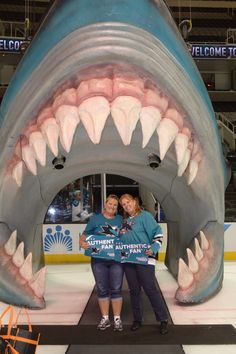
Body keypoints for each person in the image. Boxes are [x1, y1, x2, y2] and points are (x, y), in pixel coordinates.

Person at [119, 194, 169, 335]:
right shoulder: (125, 221)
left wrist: (153, 248)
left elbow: (158, 233)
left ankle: (163, 319)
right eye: (123, 204)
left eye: (128, 202)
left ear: (134, 202)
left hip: (144, 259)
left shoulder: (145, 216)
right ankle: (137, 319)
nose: (126, 205)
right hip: (129, 261)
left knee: (150, 288)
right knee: (134, 290)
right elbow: (122, 240)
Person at [79, 194, 124, 331]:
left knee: (116, 289)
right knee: (102, 289)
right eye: (110, 204)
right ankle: (105, 318)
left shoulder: (121, 219)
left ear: (117, 208)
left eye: (115, 205)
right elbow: (85, 234)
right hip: (98, 261)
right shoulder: (95, 219)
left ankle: (117, 319)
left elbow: (128, 235)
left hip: (116, 260)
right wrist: (81, 241)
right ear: (105, 204)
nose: (112, 206)